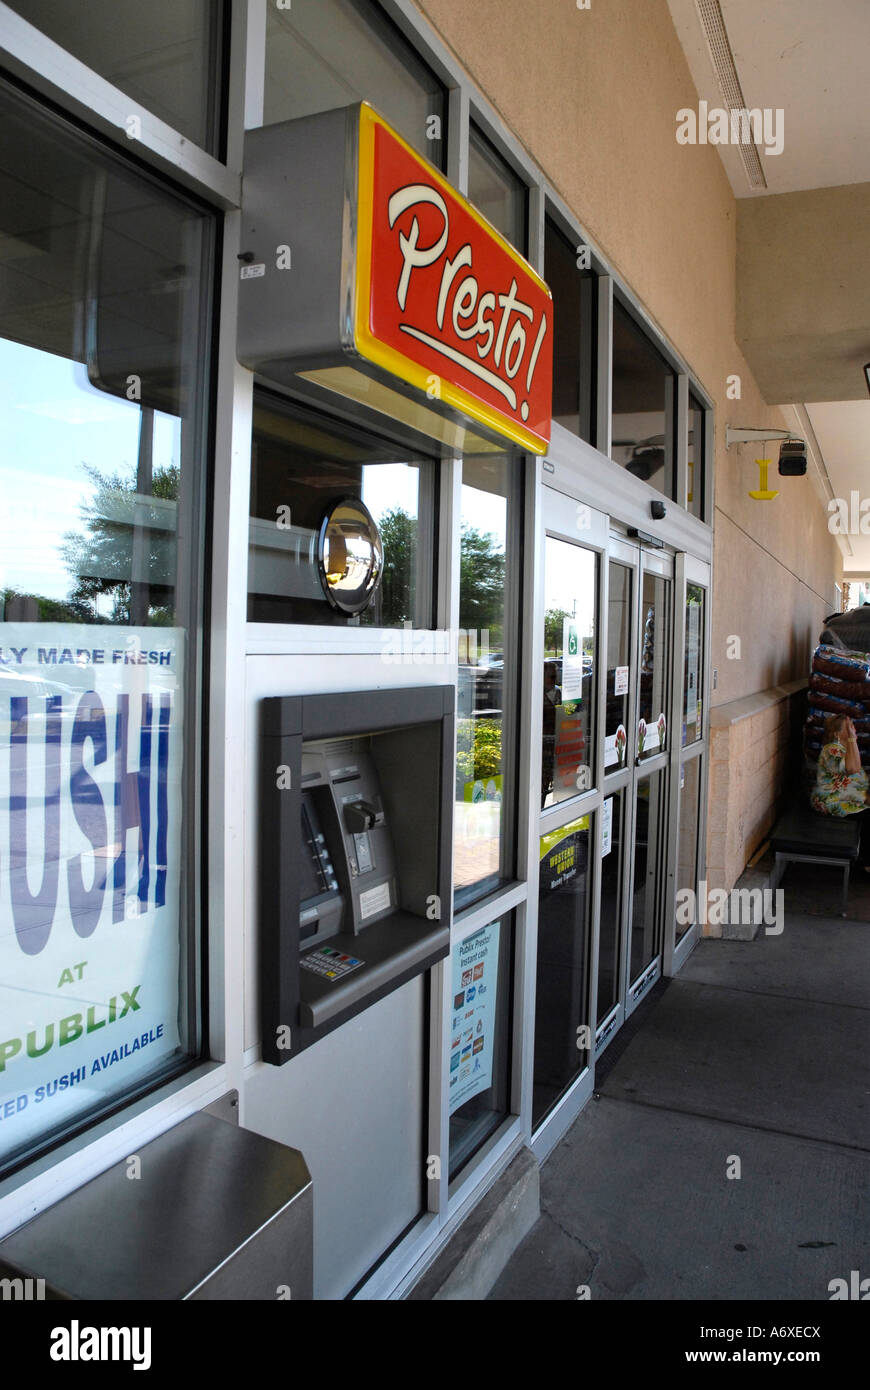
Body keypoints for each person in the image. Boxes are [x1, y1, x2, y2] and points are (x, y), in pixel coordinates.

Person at [811, 716, 870, 866]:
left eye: (853, 726)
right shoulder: (831, 749)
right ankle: (865, 862)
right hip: (832, 802)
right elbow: (852, 769)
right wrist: (852, 739)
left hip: (849, 799)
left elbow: (858, 778)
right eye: (848, 727)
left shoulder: (848, 750)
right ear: (837, 734)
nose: (853, 729)